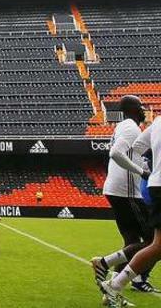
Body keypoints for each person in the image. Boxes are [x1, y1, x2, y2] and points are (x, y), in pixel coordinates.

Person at [91, 96, 158, 295]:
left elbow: (129, 153)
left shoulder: (123, 126)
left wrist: (142, 165)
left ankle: (112, 288)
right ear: (131, 110)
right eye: (140, 107)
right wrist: (140, 171)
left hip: (116, 188)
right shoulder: (131, 127)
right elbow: (116, 153)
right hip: (126, 190)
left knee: (131, 240)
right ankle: (105, 263)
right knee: (151, 240)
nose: (143, 110)